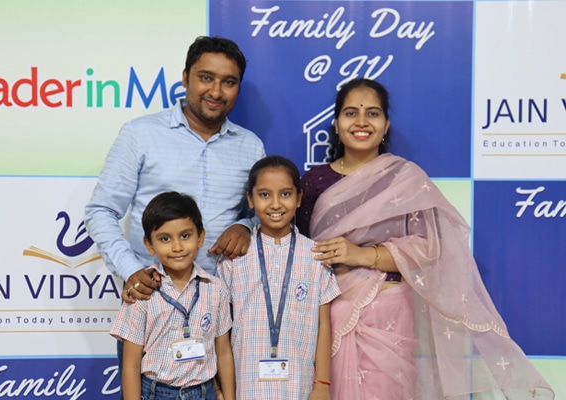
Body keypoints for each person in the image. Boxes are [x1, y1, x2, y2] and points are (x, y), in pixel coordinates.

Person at [296, 78, 555, 399]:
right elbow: (301, 250)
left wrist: (362, 255)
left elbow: (429, 249)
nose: (362, 121)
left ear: (386, 125)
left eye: (372, 113)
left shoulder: (405, 179)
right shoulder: (314, 181)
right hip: (329, 314)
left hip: (389, 315)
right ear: (336, 124)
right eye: (351, 113)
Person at [84, 36, 265, 397]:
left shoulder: (251, 146)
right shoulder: (140, 134)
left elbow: (261, 212)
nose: (216, 91)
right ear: (185, 78)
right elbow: (101, 210)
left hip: (216, 307)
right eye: (206, 78)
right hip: (152, 302)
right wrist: (131, 271)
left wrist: (245, 225)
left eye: (228, 82)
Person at [217, 156, 341, 400]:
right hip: (246, 387)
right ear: (250, 199)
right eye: (264, 195)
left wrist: (322, 384)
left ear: (299, 198)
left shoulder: (316, 256)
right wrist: (224, 391)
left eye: (285, 194)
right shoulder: (234, 258)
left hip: (300, 387)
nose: (275, 204)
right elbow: (221, 332)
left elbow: (324, 326)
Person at [110, 191, 235, 400]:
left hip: (203, 392)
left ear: (200, 237)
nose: (177, 247)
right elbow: (131, 364)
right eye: (165, 239)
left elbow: (223, 352)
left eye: (185, 236)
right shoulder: (143, 293)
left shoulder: (216, 289)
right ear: (149, 244)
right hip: (156, 393)